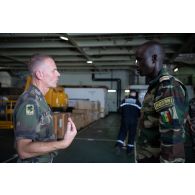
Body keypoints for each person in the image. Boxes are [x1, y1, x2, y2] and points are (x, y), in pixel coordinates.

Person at [13, 54, 77, 163]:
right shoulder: (30, 103)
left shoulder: (39, 99)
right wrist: (63, 143)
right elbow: (23, 150)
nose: (58, 74)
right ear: (39, 74)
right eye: (54, 70)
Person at [135, 41, 189, 163]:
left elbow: (173, 134)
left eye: (140, 60)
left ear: (154, 59)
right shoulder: (156, 86)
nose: (137, 65)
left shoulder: (168, 87)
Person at [115, 90, 141, 155]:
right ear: (135, 94)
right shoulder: (138, 102)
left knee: (122, 132)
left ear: (130, 94)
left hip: (125, 120)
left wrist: (124, 114)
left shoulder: (124, 100)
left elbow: (119, 111)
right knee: (132, 135)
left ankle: (119, 145)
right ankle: (129, 151)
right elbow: (140, 113)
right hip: (133, 121)